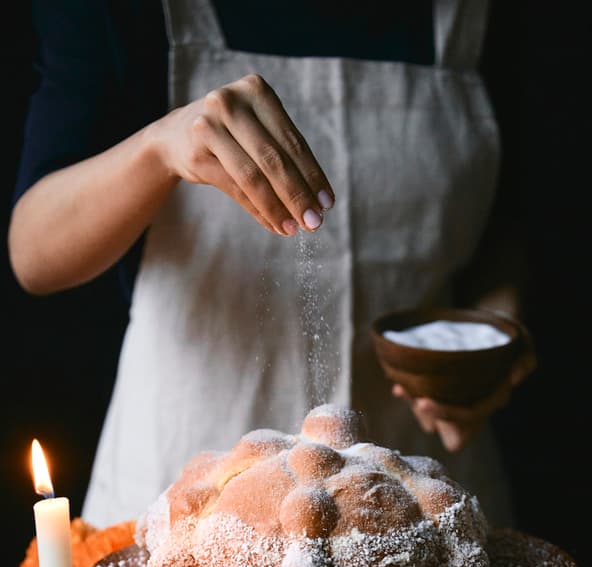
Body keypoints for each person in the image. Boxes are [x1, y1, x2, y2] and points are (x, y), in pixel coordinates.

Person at [9, 0, 531, 529]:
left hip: (417, 486)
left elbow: (497, 229)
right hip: (186, 481)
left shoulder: (481, 17)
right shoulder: (120, 14)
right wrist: (157, 149)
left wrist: (490, 349)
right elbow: (33, 255)